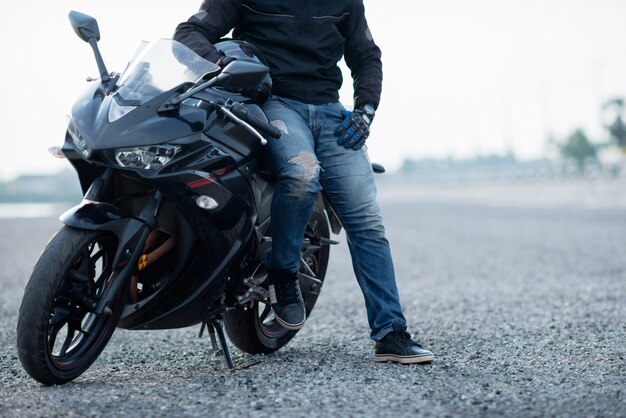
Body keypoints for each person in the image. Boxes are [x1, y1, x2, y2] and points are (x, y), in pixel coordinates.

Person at [174, 0, 434, 364]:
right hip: (275, 105)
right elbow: (189, 33)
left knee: (368, 224)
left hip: (332, 113)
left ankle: (391, 333)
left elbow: (366, 55)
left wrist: (365, 110)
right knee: (302, 172)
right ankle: (284, 273)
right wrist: (224, 65)